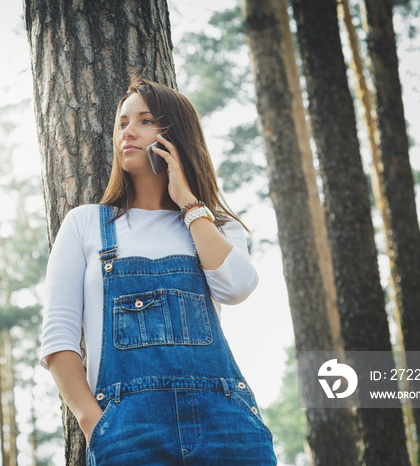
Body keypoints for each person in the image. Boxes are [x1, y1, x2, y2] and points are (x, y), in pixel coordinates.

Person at [40, 78, 277, 465]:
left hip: (227, 428)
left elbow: (236, 287)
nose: (127, 131)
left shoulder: (214, 226)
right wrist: (94, 425)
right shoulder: (86, 224)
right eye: (122, 123)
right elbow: (57, 339)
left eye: (145, 120)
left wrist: (188, 201)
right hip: (129, 433)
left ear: (175, 136)